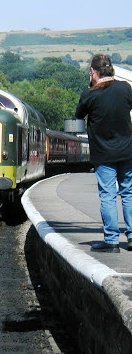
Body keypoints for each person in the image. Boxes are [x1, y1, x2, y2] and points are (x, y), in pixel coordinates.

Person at [75, 54, 132, 253]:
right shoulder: (125, 88)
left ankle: (111, 241)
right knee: (128, 192)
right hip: (127, 151)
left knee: (108, 195)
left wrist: (90, 86)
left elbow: (79, 115)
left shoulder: (90, 94)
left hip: (103, 155)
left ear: (93, 72)